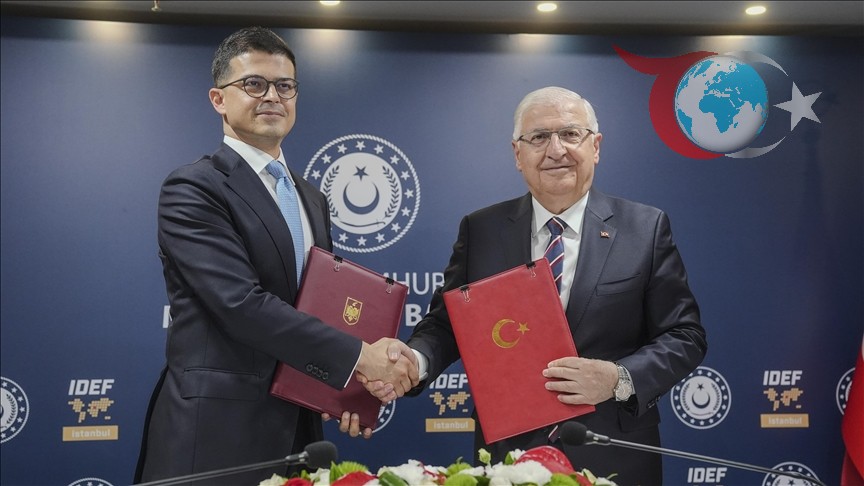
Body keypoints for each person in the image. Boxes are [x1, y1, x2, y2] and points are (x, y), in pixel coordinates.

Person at [363, 86, 707, 485]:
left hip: (614, 455)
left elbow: (685, 336)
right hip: (509, 457)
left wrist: (617, 378)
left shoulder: (645, 228)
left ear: (595, 146)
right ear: (517, 154)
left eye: (570, 134)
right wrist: (414, 361)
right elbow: (446, 325)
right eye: (539, 137)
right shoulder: (481, 230)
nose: (556, 150)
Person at [134, 27, 418, 484]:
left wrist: (344, 389)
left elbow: (319, 309)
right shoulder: (193, 188)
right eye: (254, 84)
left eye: (285, 86)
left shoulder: (311, 198)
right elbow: (240, 305)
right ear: (218, 99)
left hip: (299, 431)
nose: (272, 96)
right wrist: (358, 358)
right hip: (217, 436)